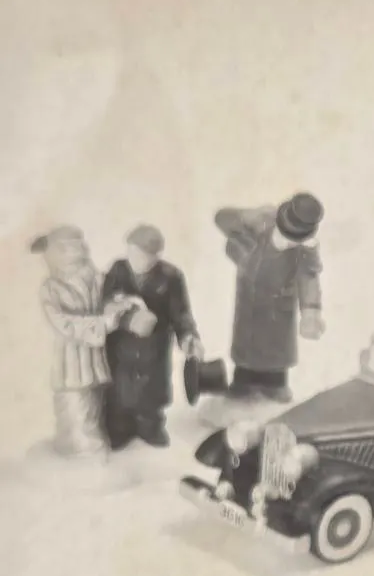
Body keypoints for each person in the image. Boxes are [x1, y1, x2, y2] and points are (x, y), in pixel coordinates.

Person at [214, 193, 326, 402]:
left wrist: (311, 311)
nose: (289, 243)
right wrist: (246, 215)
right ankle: (243, 381)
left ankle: (275, 384)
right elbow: (220, 218)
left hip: (279, 311)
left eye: (294, 240)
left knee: (276, 350)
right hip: (249, 305)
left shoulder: (305, 250)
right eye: (286, 237)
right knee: (246, 346)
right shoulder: (258, 227)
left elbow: (309, 279)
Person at [32, 225, 132, 457]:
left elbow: (108, 298)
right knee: (74, 410)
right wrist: (103, 323)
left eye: (79, 246)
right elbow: (64, 324)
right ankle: (80, 454)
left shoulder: (95, 277)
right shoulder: (51, 288)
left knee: (95, 405)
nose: (79, 252)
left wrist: (119, 304)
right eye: (69, 248)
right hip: (70, 360)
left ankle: (91, 452)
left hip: (95, 359)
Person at [102, 225, 204, 449]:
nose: (135, 260)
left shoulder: (171, 277)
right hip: (122, 350)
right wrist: (126, 317)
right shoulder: (118, 270)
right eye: (131, 252)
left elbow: (181, 314)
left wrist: (188, 337)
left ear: (156, 256)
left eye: (142, 255)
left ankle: (150, 425)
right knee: (119, 395)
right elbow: (104, 302)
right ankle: (120, 427)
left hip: (153, 350)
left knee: (151, 395)